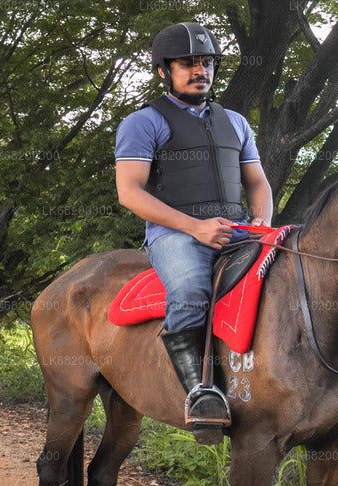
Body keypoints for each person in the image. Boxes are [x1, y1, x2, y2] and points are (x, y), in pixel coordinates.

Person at [114, 21, 273, 443]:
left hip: (237, 229)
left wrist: (261, 224)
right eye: (188, 63)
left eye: (206, 62)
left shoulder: (236, 122)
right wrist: (194, 227)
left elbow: (257, 183)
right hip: (176, 234)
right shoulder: (143, 122)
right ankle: (201, 393)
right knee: (189, 290)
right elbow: (129, 192)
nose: (200, 70)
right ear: (164, 70)